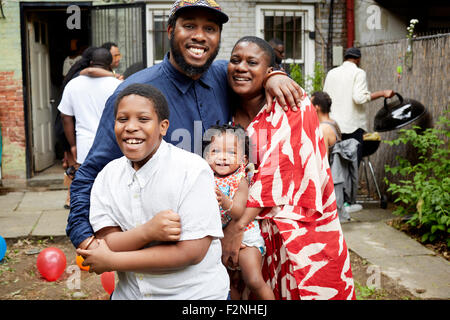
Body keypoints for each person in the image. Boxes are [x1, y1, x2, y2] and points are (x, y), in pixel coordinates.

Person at [67, 0, 304, 252]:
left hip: (222, 244)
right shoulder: (134, 94)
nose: (200, 36)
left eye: (210, 29)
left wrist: (275, 76)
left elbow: (256, 69)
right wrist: (83, 235)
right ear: (170, 31)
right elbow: (92, 172)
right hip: (162, 246)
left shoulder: (225, 75)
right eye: (189, 25)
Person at [221, 36, 356, 300]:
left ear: (270, 70)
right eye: (235, 60)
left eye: (252, 62)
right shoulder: (226, 110)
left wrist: (236, 228)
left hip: (298, 230)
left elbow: (277, 173)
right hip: (253, 237)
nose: (241, 67)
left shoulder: (293, 104)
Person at [76, 83, 229, 300]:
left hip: (194, 296)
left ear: (163, 127)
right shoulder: (107, 176)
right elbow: (108, 241)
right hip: (130, 295)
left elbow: (192, 252)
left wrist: (112, 261)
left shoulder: (192, 170)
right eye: (122, 119)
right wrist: (148, 232)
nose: (130, 127)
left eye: (143, 119)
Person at [203, 124, 274, 300]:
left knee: (253, 279)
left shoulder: (239, 180)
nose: (223, 158)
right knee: (224, 285)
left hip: (246, 236)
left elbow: (238, 211)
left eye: (231, 153)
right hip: (219, 237)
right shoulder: (205, 177)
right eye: (216, 151)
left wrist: (226, 201)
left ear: (243, 159)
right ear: (206, 156)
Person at [323, 47, 394, 213]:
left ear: (345, 57)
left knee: (333, 164)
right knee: (351, 167)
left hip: (332, 126)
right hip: (352, 126)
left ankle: (332, 201)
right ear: (358, 59)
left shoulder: (332, 73)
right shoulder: (358, 73)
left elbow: (325, 96)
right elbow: (359, 97)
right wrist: (382, 93)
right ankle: (348, 202)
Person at [58, 48, 121, 168]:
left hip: (84, 146)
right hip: (111, 144)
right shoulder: (117, 85)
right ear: (109, 65)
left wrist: (72, 145)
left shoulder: (73, 84)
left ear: (91, 63)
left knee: (88, 182)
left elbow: (65, 117)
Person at [311, 91, 341, 157]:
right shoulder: (333, 123)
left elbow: (323, 161)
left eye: (310, 105)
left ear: (316, 107)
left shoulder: (323, 129)